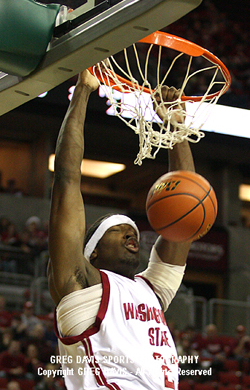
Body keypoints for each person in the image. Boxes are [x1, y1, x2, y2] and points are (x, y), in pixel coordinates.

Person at [48, 69, 195, 390]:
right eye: (119, 230)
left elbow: (185, 211)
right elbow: (67, 180)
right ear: (93, 251)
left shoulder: (150, 290)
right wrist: (83, 92)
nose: (133, 236)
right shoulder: (80, 286)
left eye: (134, 231)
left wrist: (176, 129)